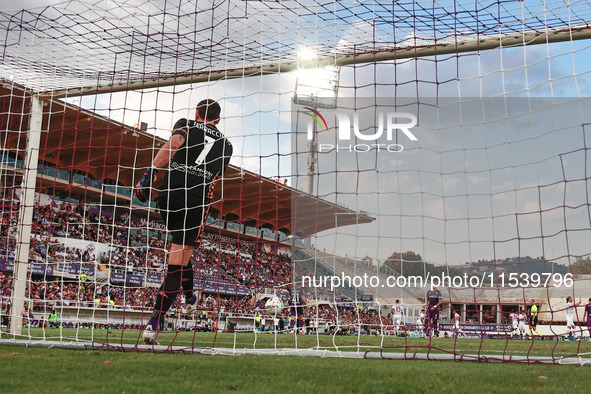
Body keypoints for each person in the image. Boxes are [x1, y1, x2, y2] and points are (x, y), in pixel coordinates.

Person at [137, 99, 233, 345]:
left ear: (198, 113)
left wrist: (149, 176)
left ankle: (190, 298)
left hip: (168, 194)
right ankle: (153, 324)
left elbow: (174, 144)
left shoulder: (186, 124)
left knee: (180, 249)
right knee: (178, 262)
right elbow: (216, 173)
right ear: (218, 120)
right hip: (196, 201)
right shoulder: (227, 146)